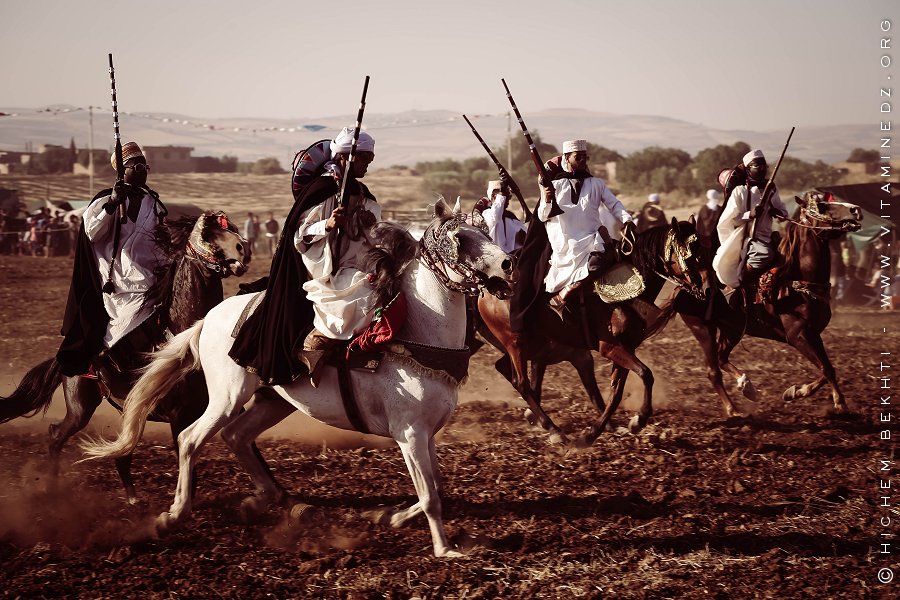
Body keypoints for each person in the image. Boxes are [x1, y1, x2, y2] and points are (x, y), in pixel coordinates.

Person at [230, 127, 381, 385]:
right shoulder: (323, 188)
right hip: (322, 266)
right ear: (347, 156)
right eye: (365, 157)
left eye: (371, 157)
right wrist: (328, 225)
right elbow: (299, 234)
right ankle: (316, 342)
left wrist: (368, 221)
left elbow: (372, 229)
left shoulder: (361, 193)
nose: (369, 163)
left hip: (352, 261)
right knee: (363, 292)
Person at [57, 141, 169, 376]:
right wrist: (112, 205)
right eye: (135, 167)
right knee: (131, 321)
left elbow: (159, 242)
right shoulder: (105, 199)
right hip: (119, 279)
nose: (141, 171)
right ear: (122, 171)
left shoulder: (154, 203)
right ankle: (102, 365)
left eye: (144, 167)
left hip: (152, 275)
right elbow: (92, 233)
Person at [538, 139, 634, 310]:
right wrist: (546, 200)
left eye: (585, 157)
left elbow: (614, 204)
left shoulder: (596, 183)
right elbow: (542, 216)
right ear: (567, 158)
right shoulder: (554, 185)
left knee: (616, 257)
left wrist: (627, 219)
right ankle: (565, 292)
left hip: (592, 237)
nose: (582, 161)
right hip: (566, 241)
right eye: (578, 157)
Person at [713, 149, 788, 296]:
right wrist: (750, 214)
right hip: (749, 238)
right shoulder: (740, 192)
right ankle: (743, 284)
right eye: (756, 166)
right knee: (764, 254)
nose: (761, 169)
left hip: (769, 235)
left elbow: (783, 211)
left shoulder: (771, 188)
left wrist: (779, 213)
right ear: (748, 169)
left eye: (763, 166)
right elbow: (728, 221)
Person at [475, 177, 526, 254]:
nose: (507, 199)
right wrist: (502, 192)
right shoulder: (487, 214)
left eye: (509, 196)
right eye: (505, 196)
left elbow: (525, 234)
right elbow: (496, 213)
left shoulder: (511, 217)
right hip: (495, 260)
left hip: (514, 259)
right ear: (493, 197)